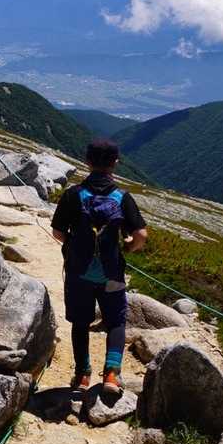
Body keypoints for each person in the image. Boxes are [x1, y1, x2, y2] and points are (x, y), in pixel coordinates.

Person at [50, 138, 148, 394]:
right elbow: (141, 235)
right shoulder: (122, 197)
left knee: (80, 322)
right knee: (115, 321)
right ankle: (112, 375)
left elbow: (58, 232)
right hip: (111, 273)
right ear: (115, 163)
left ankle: (82, 376)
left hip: (78, 272)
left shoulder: (73, 195)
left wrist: (75, 243)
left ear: (87, 161)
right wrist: (128, 247)